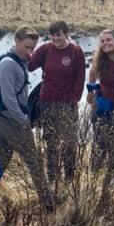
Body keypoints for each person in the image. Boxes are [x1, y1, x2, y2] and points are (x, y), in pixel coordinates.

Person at [0, 26, 53, 208]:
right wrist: (23, 121)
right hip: (10, 120)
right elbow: (8, 98)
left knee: (0, 161)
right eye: (26, 47)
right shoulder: (8, 64)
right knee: (33, 160)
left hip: (4, 120)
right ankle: (48, 202)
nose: (30, 51)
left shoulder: (18, 61)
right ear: (16, 41)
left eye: (32, 48)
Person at [28, 20, 86, 183]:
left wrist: (74, 100)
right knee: (51, 142)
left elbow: (80, 78)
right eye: (52, 35)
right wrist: (25, 50)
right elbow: (30, 65)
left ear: (66, 33)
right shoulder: (46, 49)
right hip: (46, 101)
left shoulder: (75, 51)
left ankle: (69, 178)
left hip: (67, 104)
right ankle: (52, 178)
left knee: (69, 142)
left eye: (58, 35)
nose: (55, 38)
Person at [86, 28, 114, 169]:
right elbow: (92, 74)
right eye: (102, 41)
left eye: (109, 40)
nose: (105, 43)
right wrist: (90, 92)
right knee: (99, 142)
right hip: (102, 105)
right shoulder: (100, 60)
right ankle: (94, 175)